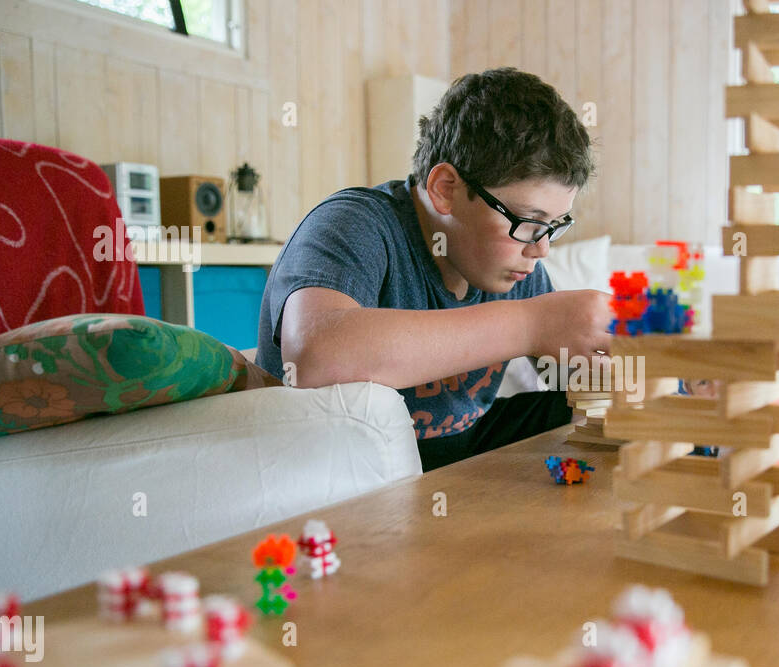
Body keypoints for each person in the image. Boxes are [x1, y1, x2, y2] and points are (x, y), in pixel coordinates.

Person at [255, 68, 612, 472]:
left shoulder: (514, 262)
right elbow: (312, 356)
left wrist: (620, 366)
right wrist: (532, 324)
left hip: (459, 442)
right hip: (341, 465)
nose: (541, 248)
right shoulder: (354, 223)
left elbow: (572, 377)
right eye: (528, 221)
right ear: (446, 188)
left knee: (592, 414)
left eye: (553, 226)